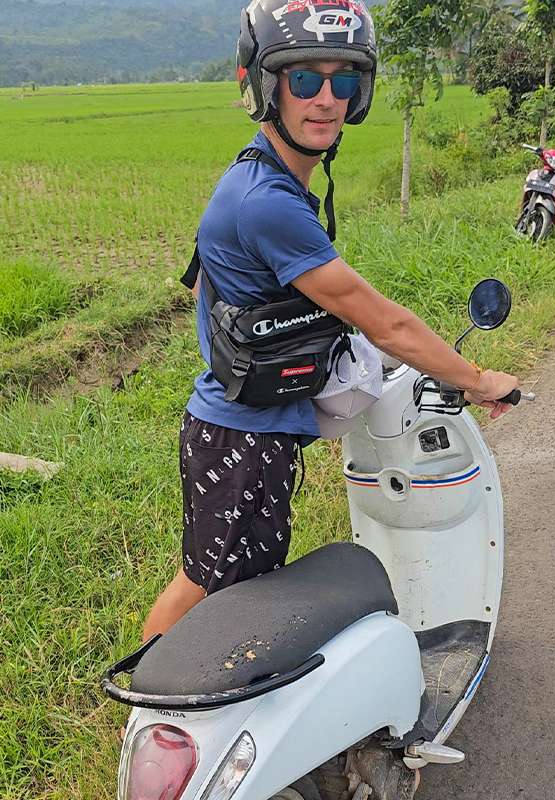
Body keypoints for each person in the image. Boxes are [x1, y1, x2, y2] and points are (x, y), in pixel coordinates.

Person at [142, 0, 518, 643]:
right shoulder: (268, 203)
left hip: (247, 428)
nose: (326, 99)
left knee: (235, 581)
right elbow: (385, 323)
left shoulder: (260, 177)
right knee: (208, 585)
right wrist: (478, 379)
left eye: (342, 80)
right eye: (304, 79)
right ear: (267, 87)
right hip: (240, 435)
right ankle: (145, 693)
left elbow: (226, 293)